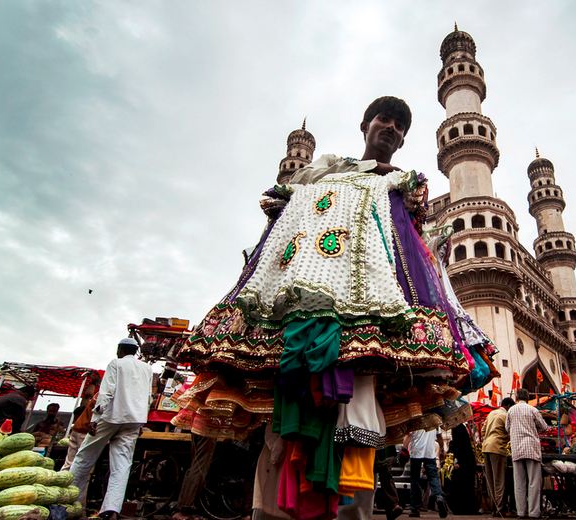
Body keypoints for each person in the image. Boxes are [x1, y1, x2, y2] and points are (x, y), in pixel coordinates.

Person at [170, 97, 498, 519]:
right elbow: (286, 201)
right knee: (282, 427)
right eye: (385, 119)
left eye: (400, 125)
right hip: (298, 311)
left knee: (360, 422)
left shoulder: (401, 185)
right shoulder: (328, 170)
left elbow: (414, 251)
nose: (391, 128)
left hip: (371, 316)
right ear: (365, 125)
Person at [69, 338, 153, 520]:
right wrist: (141, 422)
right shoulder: (147, 368)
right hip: (134, 420)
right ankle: (110, 510)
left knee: (85, 456)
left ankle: (67, 498)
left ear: (121, 349)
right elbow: (148, 397)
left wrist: (95, 418)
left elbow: (107, 391)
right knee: (122, 465)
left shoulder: (116, 363)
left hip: (111, 417)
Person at [506, 389, 548, 519]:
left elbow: (507, 428)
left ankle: (521, 512)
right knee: (533, 482)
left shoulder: (511, 411)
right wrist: (533, 429)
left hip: (517, 449)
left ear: (517, 397)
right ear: (528, 397)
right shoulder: (532, 410)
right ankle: (534, 513)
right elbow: (544, 427)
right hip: (531, 448)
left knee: (519, 482)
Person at [482, 397, 515, 516]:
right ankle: (499, 509)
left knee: (490, 481)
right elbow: (510, 432)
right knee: (499, 480)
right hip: (497, 448)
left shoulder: (491, 413)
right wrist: (505, 440)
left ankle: (493, 507)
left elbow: (483, 430)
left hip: (486, 447)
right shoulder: (506, 416)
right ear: (508, 406)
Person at [406, 428, 448, 518]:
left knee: (415, 479)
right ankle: (439, 497)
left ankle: (415, 508)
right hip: (430, 452)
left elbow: (408, 435)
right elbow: (439, 437)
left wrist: (404, 448)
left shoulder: (415, 418)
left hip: (416, 451)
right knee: (433, 477)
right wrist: (441, 449)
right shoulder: (433, 418)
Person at [61, 384, 97, 471]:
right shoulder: (103, 395)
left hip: (78, 429)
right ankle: (75, 483)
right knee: (83, 463)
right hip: (85, 432)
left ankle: (63, 479)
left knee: (69, 462)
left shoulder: (98, 395)